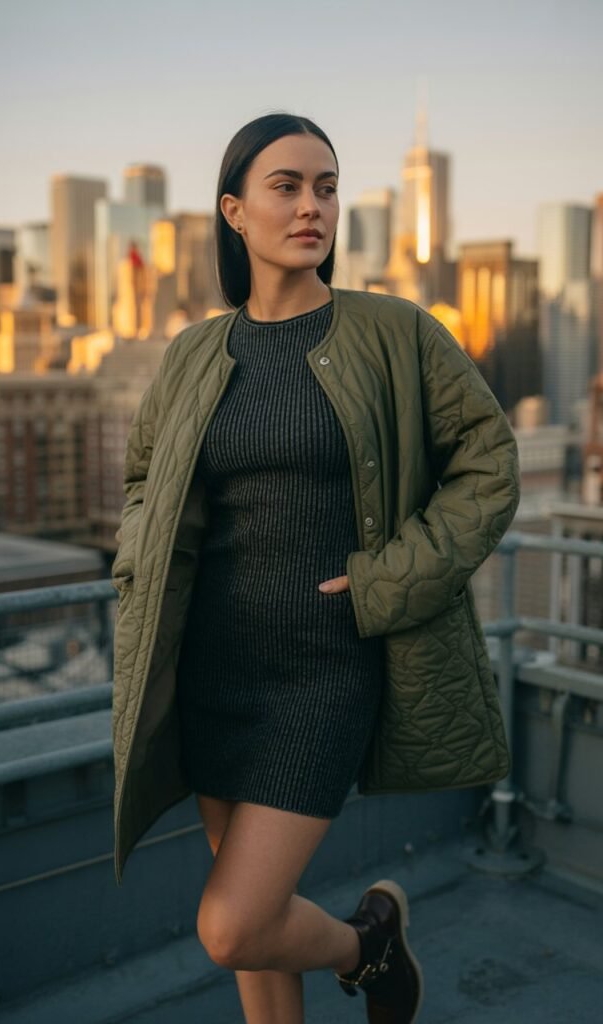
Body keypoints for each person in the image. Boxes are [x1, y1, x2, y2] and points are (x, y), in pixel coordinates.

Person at [111, 111, 520, 1024]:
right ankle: (364, 954)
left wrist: (384, 583)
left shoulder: (395, 332)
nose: (312, 207)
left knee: (232, 924)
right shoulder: (193, 353)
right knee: (256, 936)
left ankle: (368, 946)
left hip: (326, 669)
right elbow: (144, 480)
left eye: (326, 188)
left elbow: (491, 465)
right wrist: (144, 571)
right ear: (234, 212)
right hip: (215, 667)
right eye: (287, 187)